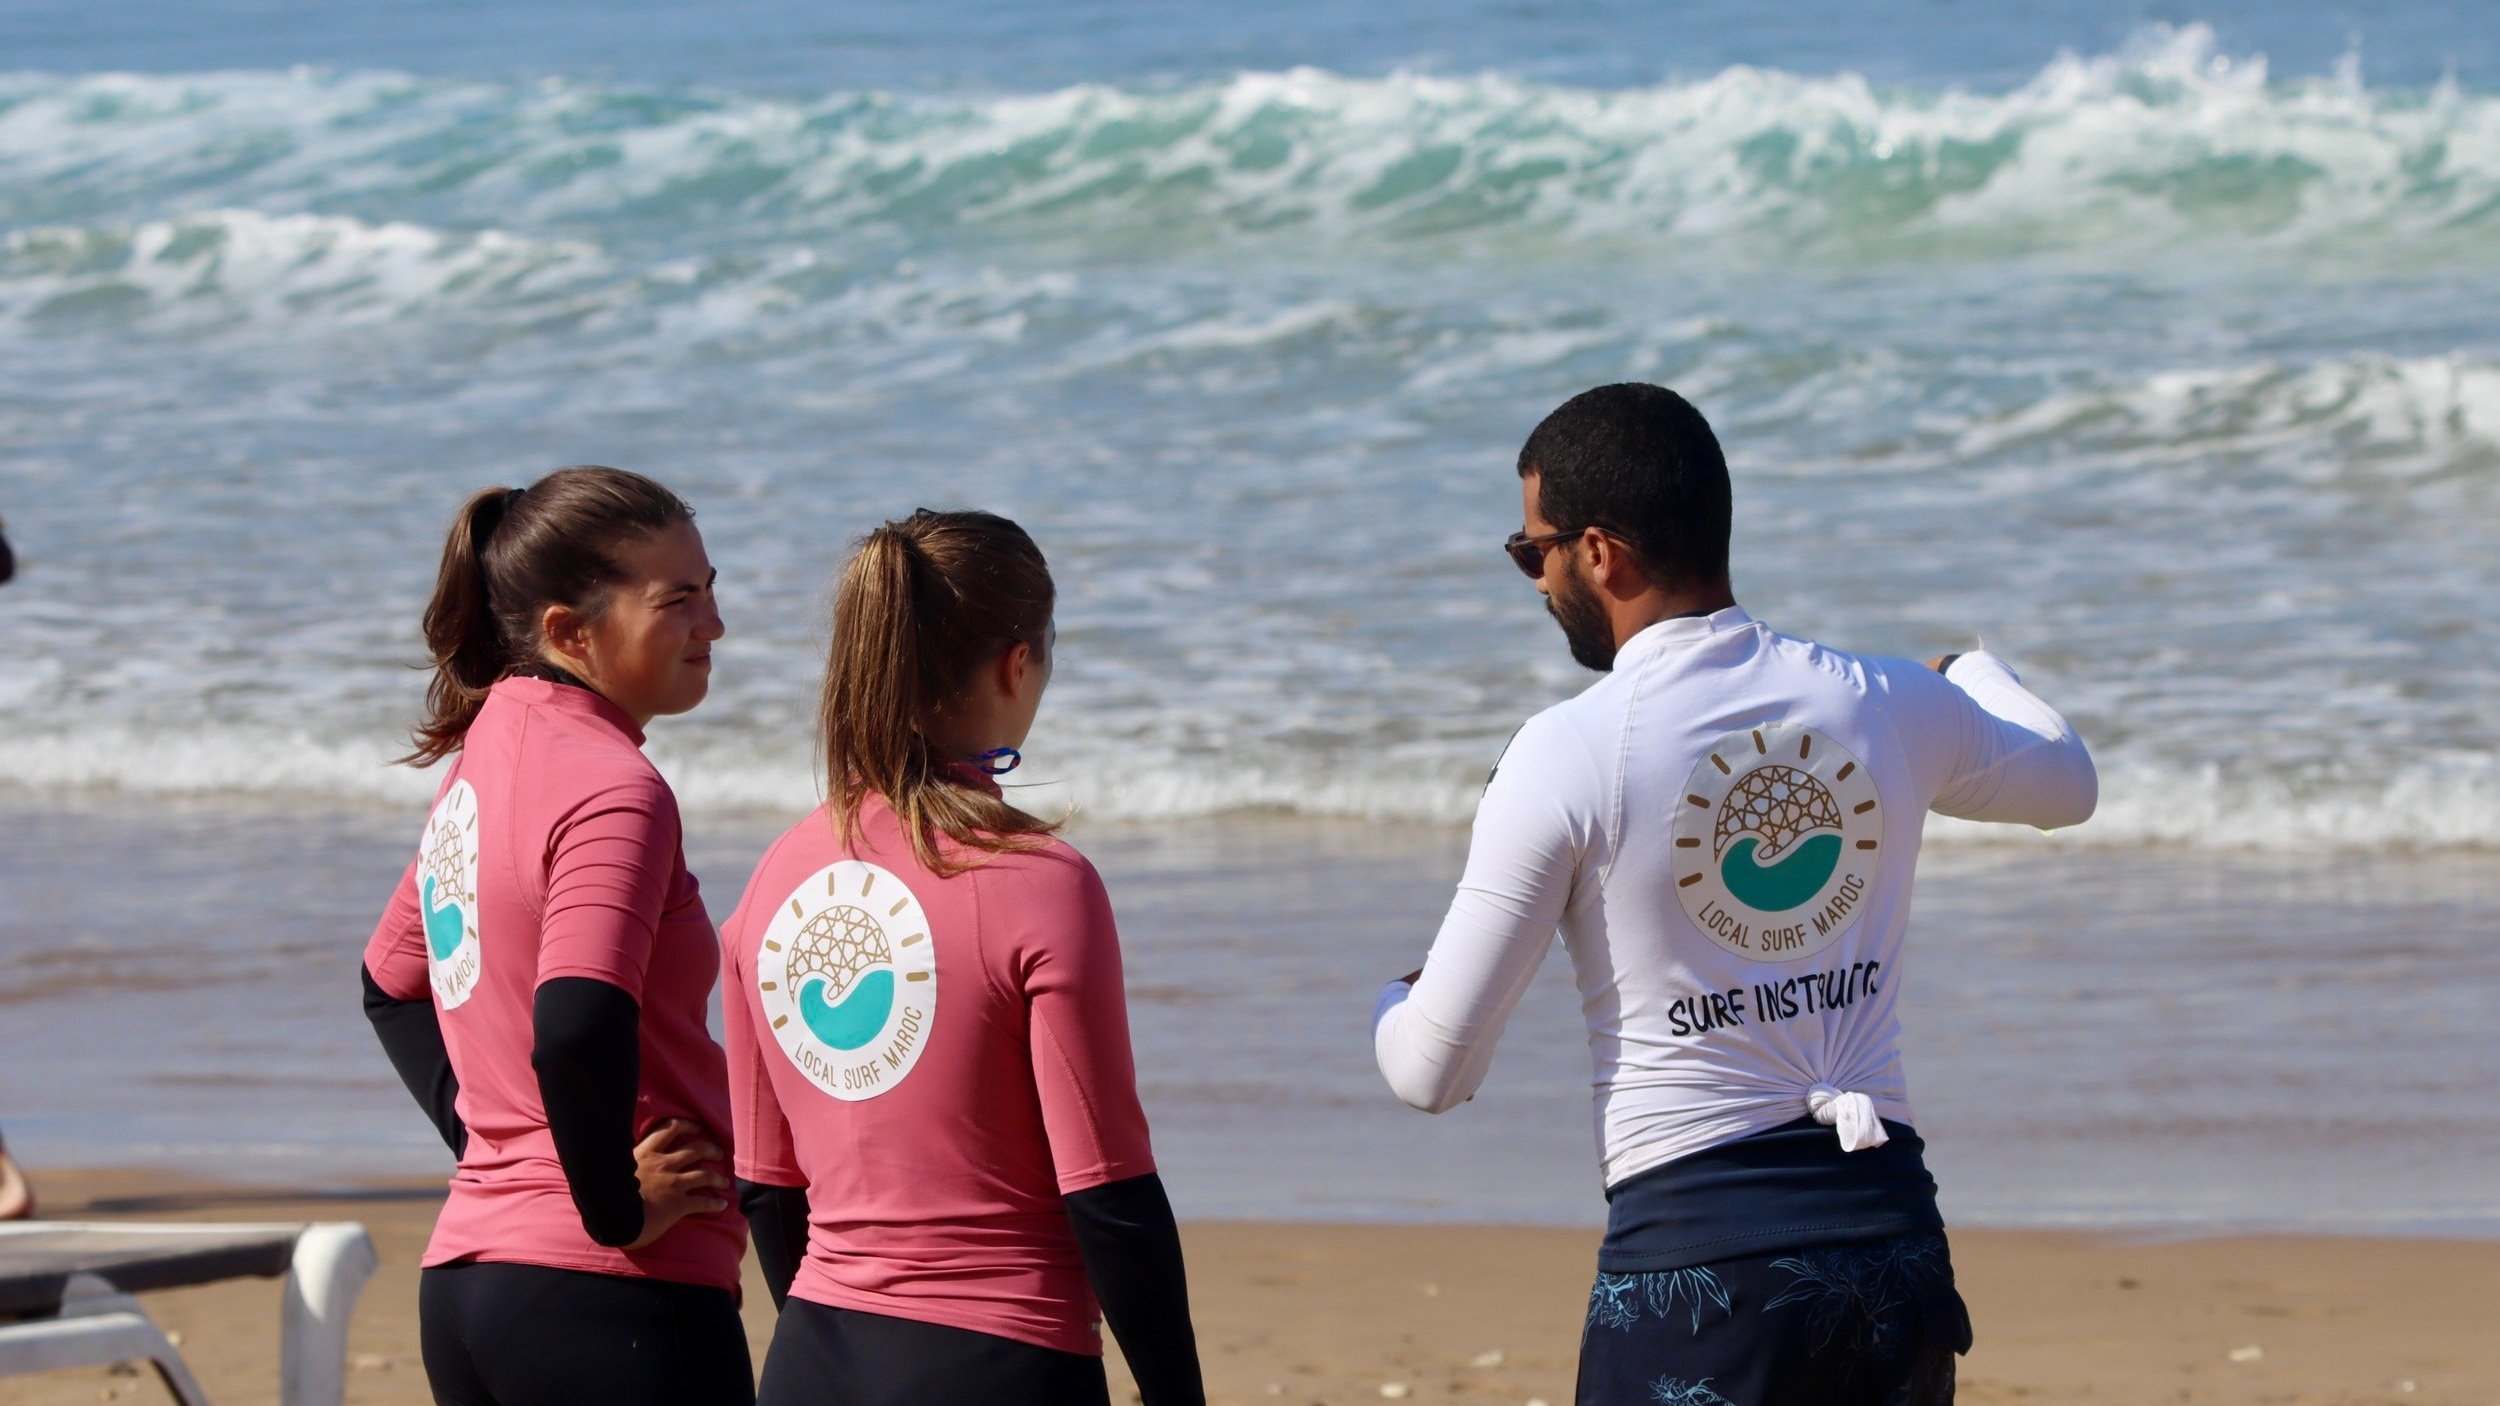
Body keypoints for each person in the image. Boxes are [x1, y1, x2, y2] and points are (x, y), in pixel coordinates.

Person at [1372, 385, 2097, 1406]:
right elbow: (2067, 781)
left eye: (1531, 551)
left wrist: (1394, 999)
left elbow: (1433, 1071)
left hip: (1702, 1278)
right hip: (1890, 1257)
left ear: (1598, 553)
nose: (1534, 579)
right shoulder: (1883, 699)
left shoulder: (1565, 751)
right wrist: (1969, 669)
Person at [721, 509, 1204, 1406]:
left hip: (813, 1360)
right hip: (1003, 1360)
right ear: (1017, 663)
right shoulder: (1042, 881)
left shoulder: (770, 883)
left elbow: (767, 1187)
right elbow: (1107, 1191)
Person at [360, 466, 753, 1406]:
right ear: (570, 632)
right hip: (614, 1301)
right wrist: (616, 1211)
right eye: (678, 600)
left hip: (473, 1287)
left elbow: (390, 983)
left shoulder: (484, 761)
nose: (714, 624)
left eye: (710, 589)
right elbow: (576, 1023)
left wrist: (496, 1147)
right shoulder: (612, 788)